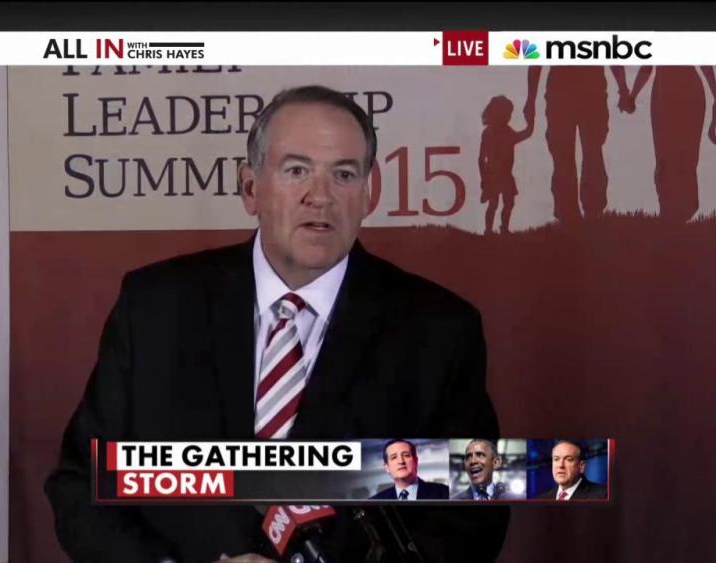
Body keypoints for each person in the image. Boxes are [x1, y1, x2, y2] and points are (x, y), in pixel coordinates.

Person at [44, 85, 509, 563]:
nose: (321, 197)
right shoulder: (154, 306)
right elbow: (83, 485)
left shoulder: (439, 330)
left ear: (369, 193)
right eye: (296, 170)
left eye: (344, 174)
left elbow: (473, 515)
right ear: (251, 188)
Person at [522, 66, 632, 223]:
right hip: (574, 92)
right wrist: (623, 89)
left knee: (585, 153)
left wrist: (623, 89)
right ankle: (574, 213)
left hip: (582, 92)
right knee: (576, 154)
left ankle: (585, 212)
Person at [625, 66, 716, 223]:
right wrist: (632, 96)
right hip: (673, 92)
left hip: (677, 92)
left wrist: (632, 96)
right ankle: (674, 208)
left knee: (678, 156)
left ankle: (679, 208)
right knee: (675, 156)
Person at [478, 95, 533, 235]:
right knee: (493, 204)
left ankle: (504, 228)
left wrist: (530, 123)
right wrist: (484, 178)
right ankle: (488, 230)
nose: (508, 117)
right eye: (506, 113)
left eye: (509, 114)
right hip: (492, 175)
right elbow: (481, 158)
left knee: (509, 202)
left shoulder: (507, 132)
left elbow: (525, 134)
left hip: (506, 175)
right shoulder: (488, 133)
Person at [369, 439, 450, 500]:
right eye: (394, 457)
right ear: (387, 467)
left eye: (406, 455)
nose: (401, 461)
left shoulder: (444, 493)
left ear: (416, 461)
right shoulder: (375, 501)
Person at [536, 440, 607, 501]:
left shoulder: (602, 496)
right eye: (556, 459)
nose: (560, 465)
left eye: (568, 459)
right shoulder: (541, 499)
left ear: (581, 466)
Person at [451, 439, 521, 500]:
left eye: (480, 455)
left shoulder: (516, 499)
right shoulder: (453, 501)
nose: (472, 461)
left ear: (496, 462)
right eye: (468, 457)